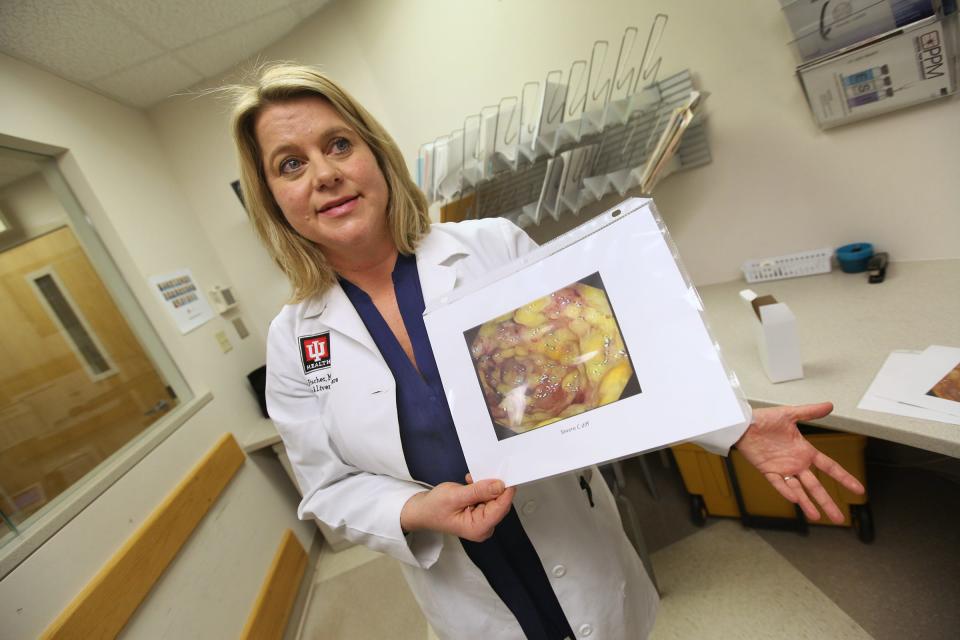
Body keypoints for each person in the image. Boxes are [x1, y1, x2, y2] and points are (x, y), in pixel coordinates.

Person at [228, 63, 865, 639]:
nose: (325, 174)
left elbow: (611, 362)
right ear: (272, 200)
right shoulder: (293, 342)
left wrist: (735, 425)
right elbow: (326, 490)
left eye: (339, 144)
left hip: (573, 541)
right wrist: (417, 508)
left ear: (375, 154)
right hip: (462, 580)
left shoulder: (489, 249)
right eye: (290, 163)